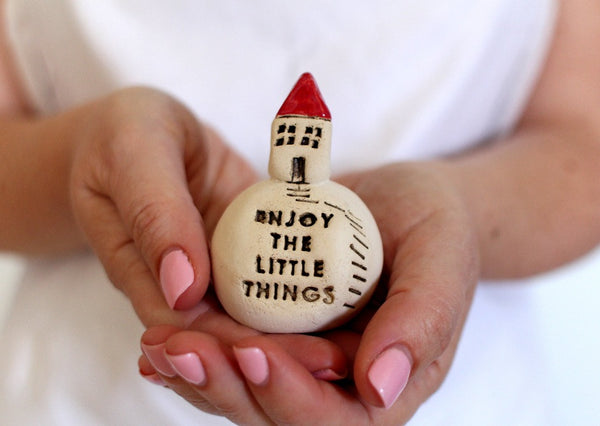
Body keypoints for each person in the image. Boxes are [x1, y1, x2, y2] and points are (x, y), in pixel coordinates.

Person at [0, 0, 599, 424]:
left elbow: (584, 147)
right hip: (79, 397)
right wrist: (82, 160)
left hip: (470, 399)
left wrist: (458, 207)